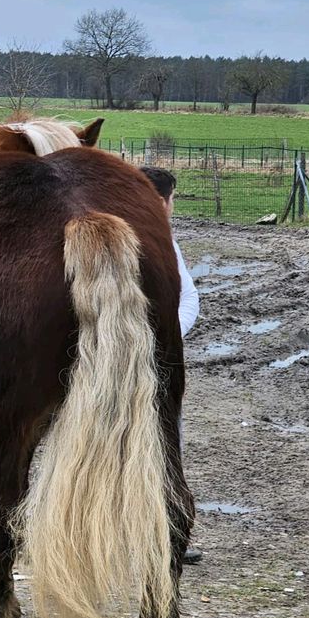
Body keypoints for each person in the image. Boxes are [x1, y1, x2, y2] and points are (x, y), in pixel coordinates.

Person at [140, 166, 202, 565]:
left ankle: (160, 535)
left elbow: (187, 299)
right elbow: (189, 301)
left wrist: (163, 338)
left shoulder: (166, 241)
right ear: (164, 201)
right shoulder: (153, 239)